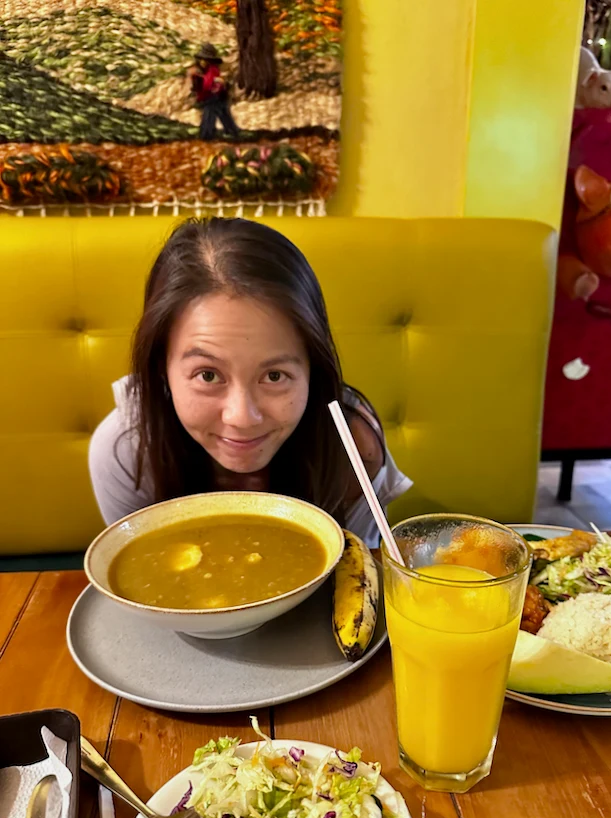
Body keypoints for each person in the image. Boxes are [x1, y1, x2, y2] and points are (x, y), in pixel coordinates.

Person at [89, 218, 412, 547]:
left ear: (313, 370)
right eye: (208, 375)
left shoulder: (352, 446)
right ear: (162, 367)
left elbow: (357, 575)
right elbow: (146, 573)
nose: (241, 418)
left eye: (274, 376)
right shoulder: (127, 450)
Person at [188, 43, 240, 141]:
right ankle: (232, 133)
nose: (202, 62)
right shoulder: (205, 70)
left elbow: (208, 84)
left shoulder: (212, 70)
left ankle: (207, 136)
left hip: (215, 97)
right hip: (215, 97)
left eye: (205, 59)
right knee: (223, 114)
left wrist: (202, 81)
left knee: (210, 115)